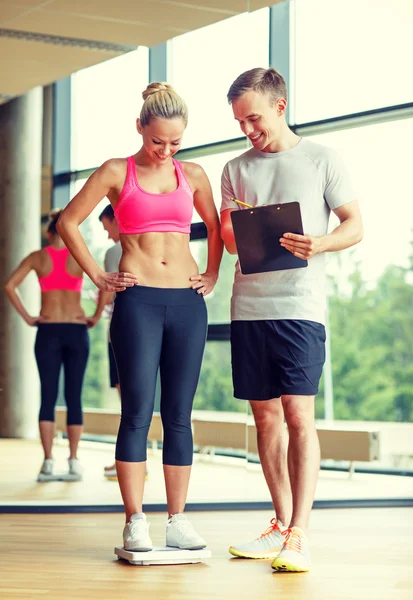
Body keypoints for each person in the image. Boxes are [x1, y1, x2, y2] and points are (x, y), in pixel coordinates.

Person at [57, 82, 223, 552]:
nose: (165, 150)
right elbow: (69, 221)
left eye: (175, 143)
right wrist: (97, 276)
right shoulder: (116, 171)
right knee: (136, 414)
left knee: (179, 415)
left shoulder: (192, 174)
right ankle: (135, 520)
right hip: (138, 303)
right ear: (139, 128)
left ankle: (177, 519)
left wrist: (211, 271)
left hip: (187, 304)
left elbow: (213, 227)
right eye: (157, 141)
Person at [220, 67, 363, 572]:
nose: (247, 130)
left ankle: (300, 533)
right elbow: (230, 239)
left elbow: (355, 225)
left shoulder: (322, 159)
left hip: (299, 308)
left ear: (280, 106)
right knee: (264, 418)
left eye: (253, 118)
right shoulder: (235, 168)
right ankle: (280, 524)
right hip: (249, 306)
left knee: (299, 415)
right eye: (239, 122)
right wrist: (242, 222)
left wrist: (317, 243)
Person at [4, 209, 98, 482]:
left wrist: (28, 317)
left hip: (47, 330)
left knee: (47, 396)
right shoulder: (79, 255)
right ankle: (73, 461)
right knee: (74, 397)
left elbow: (9, 286)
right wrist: (94, 314)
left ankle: (47, 462)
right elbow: (104, 283)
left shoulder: (37, 257)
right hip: (76, 330)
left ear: (48, 232)